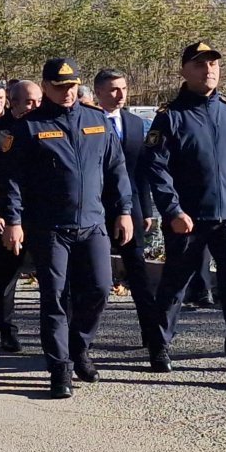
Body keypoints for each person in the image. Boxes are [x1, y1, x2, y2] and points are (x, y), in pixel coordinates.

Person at [1, 59, 133, 398]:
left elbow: (116, 168)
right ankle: (60, 369)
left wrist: (124, 211)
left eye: (72, 85)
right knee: (56, 298)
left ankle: (79, 347)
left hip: (92, 223)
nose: (68, 92)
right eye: (60, 87)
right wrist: (13, 221)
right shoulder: (28, 128)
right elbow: (11, 181)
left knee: (101, 289)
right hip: (50, 228)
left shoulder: (96, 120)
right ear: (46, 87)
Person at [143, 41, 226, 388]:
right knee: (175, 285)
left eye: (213, 64)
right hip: (188, 220)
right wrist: (173, 210)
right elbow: (156, 168)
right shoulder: (170, 116)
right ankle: (159, 344)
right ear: (184, 71)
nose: (208, 70)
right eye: (199, 65)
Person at [93, 68, 161, 350]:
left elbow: (142, 171)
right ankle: (80, 337)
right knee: (91, 277)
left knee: (138, 273)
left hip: (129, 207)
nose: (119, 95)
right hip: (95, 208)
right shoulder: (89, 121)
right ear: (97, 93)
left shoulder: (134, 123)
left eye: (122, 88)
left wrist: (146, 209)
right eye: (112, 89)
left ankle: (152, 336)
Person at [0, 79, 38, 351]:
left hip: (42, 215)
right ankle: (7, 329)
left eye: (38, 101)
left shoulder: (48, 127)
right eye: (27, 101)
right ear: (12, 103)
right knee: (4, 278)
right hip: (5, 216)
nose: (34, 106)